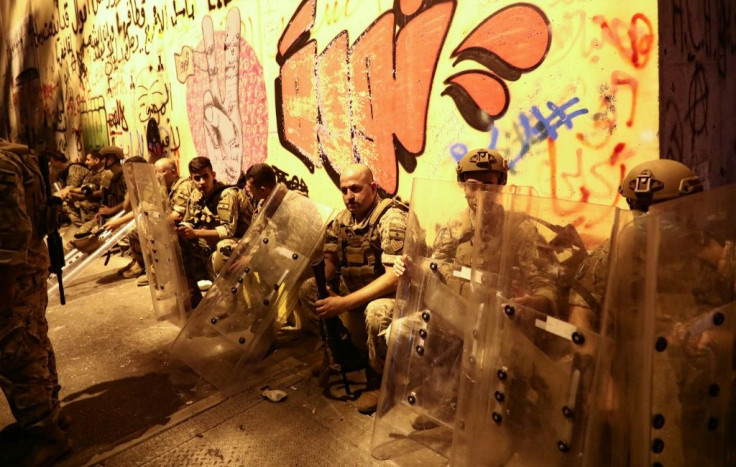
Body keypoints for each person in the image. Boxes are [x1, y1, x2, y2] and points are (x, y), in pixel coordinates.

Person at [298, 164, 408, 414]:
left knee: (376, 312)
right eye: (344, 190)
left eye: (356, 189)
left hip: (388, 298)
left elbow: (395, 278)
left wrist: (344, 304)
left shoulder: (391, 218)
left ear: (373, 188)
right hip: (353, 293)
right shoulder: (343, 219)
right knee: (309, 289)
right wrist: (323, 283)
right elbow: (331, 260)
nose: (349, 196)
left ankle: (379, 379)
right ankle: (341, 355)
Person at [0, 140, 70, 465]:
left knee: (14, 352)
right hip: (28, 265)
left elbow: (11, 231)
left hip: (13, 272)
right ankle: (49, 414)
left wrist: (6, 285)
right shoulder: (17, 153)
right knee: (34, 338)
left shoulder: (2, 161)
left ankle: (46, 434)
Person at [177, 156, 241, 307]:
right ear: (191, 179)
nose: (202, 182)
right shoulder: (195, 195)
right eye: (197, 178)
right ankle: (192, 294)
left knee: (224, 247)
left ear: (213, 175)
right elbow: (189, 220)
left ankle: (232, 303)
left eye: (205, 176)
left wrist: (196, 233)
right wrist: (181, 229)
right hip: (210, 242)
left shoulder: (227, 195)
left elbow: (228, 230)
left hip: (237, 243)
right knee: (176, 242)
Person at [63, 149, 112, 227]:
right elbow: (84, 188)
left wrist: (81, 197)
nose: (86, 162)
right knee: (66, 202)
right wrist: (70, 191)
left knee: (83, 204)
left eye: (88, 160)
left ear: (96, 160)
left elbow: (103, 192)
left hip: (97, 203)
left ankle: (87, 227)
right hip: (87, 199)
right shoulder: (91, 173)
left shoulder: (106, 173)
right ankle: (82, 226)